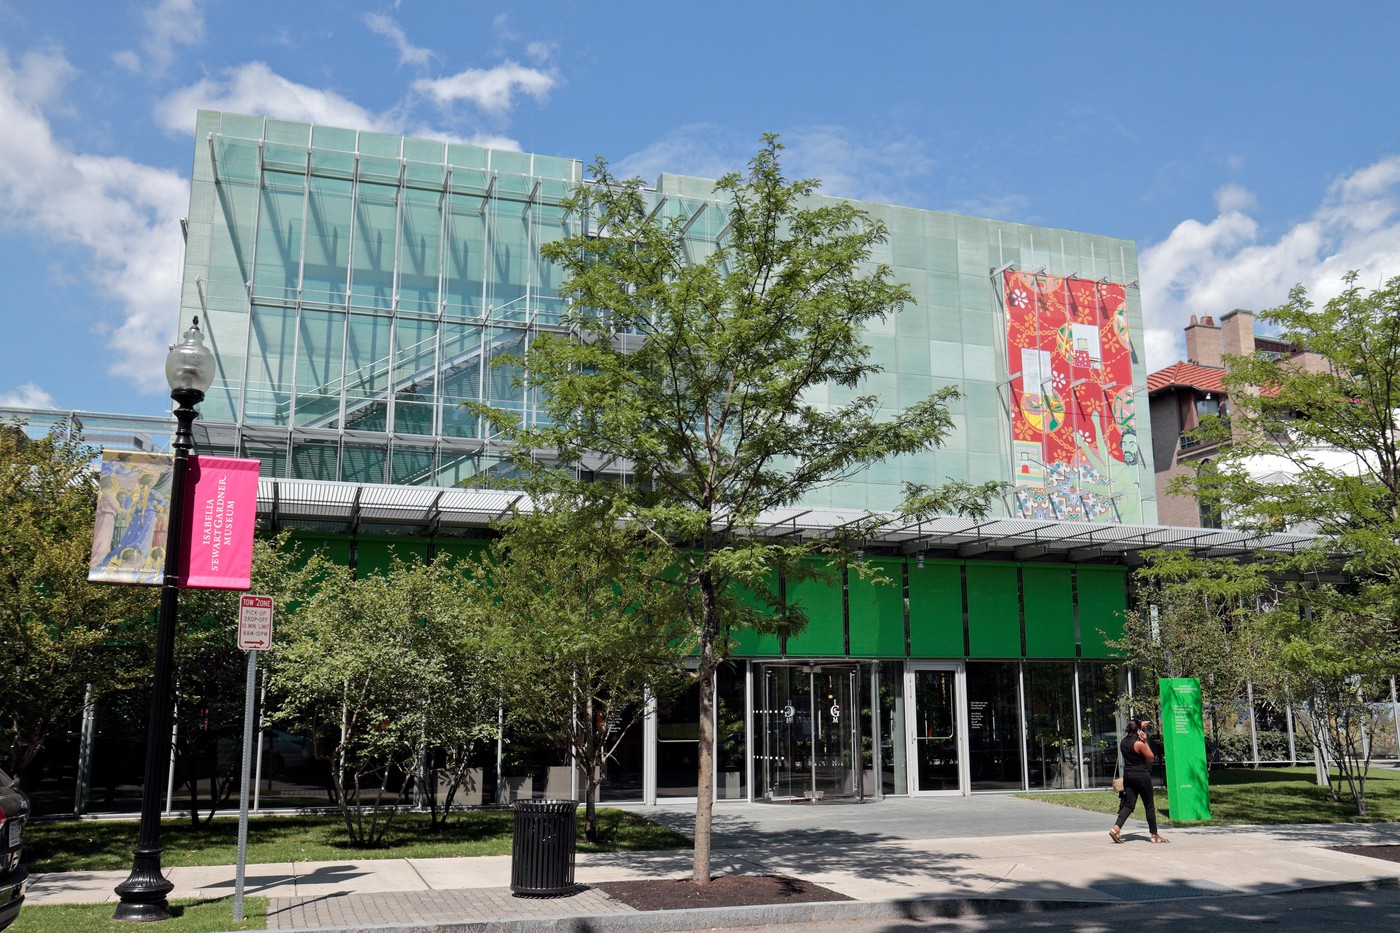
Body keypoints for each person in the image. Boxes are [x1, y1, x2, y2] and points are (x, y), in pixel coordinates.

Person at [1110, 717, 1167, 843]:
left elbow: (1133, 728)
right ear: (1138, 731)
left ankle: (1116, 828)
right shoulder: (1139, 744)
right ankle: (1154, 835)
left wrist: (1140, 725)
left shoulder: (1123, 742)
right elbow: (1151, 758)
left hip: (1128, 776)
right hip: (1141, 776)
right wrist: (1145, 741)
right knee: (1149, 806)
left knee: (1129, 804)